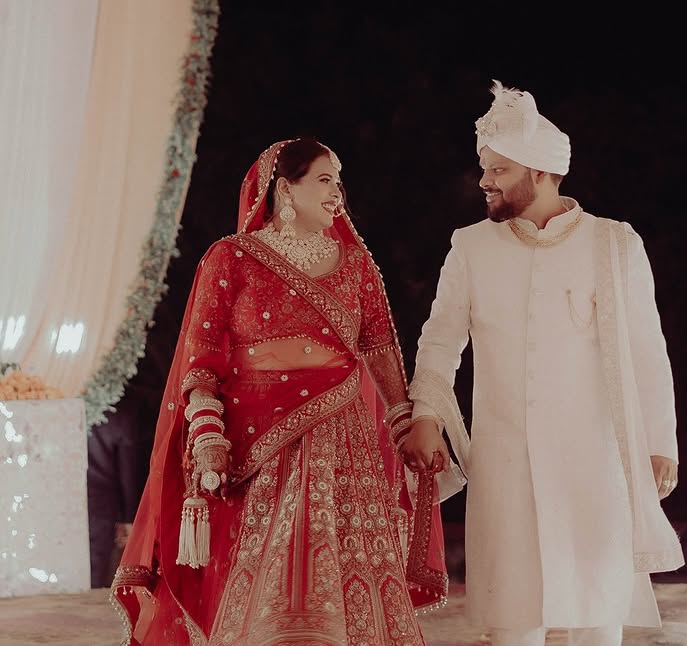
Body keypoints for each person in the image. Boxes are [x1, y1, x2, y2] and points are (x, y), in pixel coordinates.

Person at [112, 137, 447, 645]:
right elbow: (200, 359)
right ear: (285, 189)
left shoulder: (356, 264)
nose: (338, 193)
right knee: (267, 573)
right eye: (325, 179)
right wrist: (206, 434)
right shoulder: (232, 258)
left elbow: (380, 349)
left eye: (339, 181)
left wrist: (404, 426)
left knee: (345, 571)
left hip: (344, 444)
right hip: (258, 444)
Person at [400, 83, 683, 646]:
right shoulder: (470, 246)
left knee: (597, 615)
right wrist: (427, 413)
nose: (485, 181)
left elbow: (648, 349)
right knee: (512, 621)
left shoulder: (614, 244)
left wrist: (659, 442)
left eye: (499, 170)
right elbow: (440, 339)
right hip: (505, 466)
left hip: (594, 466)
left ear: (542, 173)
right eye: (485, 168)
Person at [87, 390, 141, 588]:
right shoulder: (120, 413)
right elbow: (128, 470)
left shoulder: (65, 404)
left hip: (67, 497)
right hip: (103, 503)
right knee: (97, 567)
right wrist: (128, 517)